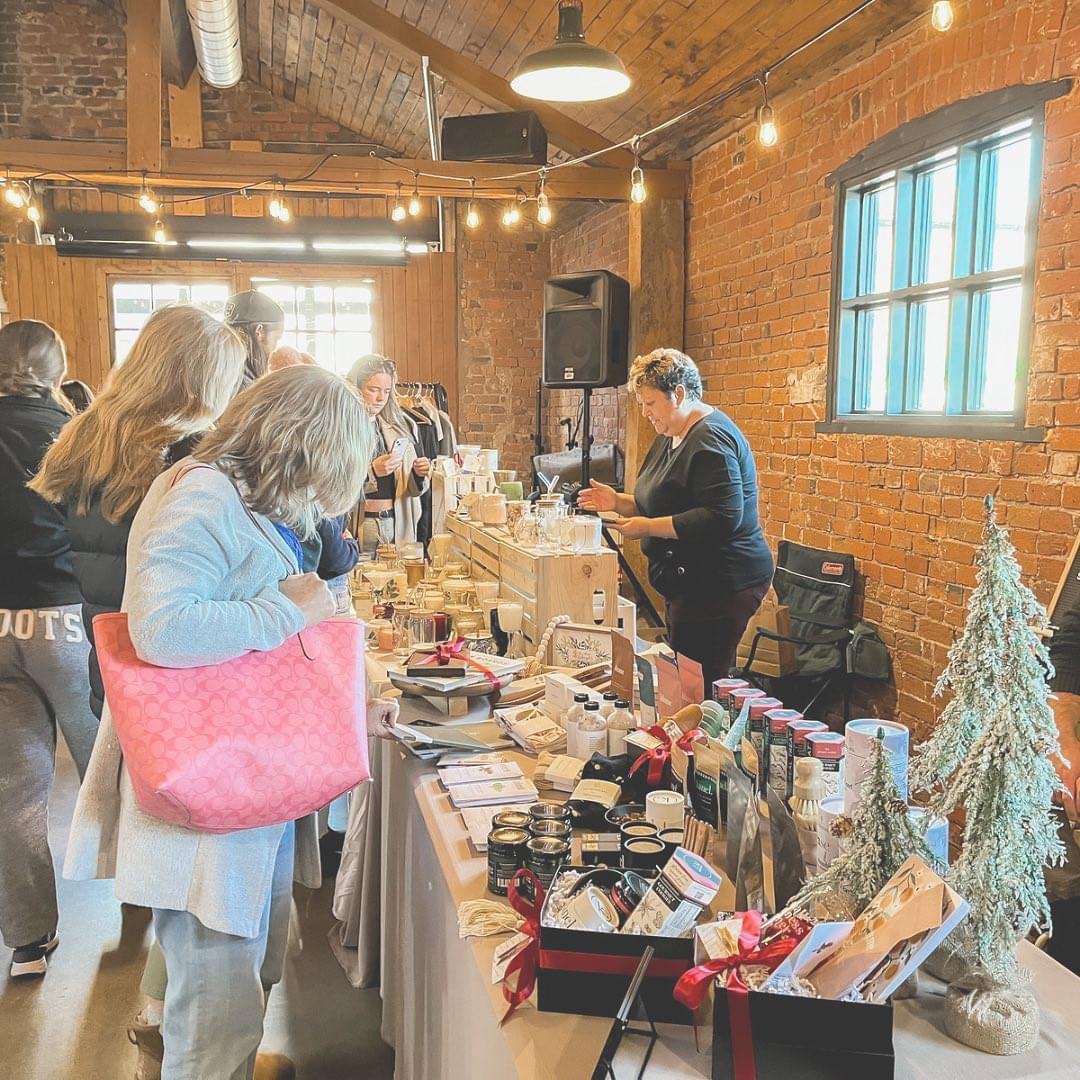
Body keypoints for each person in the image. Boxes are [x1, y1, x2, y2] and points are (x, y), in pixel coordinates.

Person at [64, 367, 396, 1080]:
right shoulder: (205, 496)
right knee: (212, 998)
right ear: (303, 444)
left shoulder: (231, 491)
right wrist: (290, 609)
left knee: (236, 970)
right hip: (207, 782)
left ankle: (231, 1063)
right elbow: (163, 629)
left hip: (238, 775)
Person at [578, 347, 774, 689]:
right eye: (642, 404)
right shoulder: (672, 434)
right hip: (690, 583)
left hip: (722, 583)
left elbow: (722, 517)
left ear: (679, 393)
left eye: (650, 403)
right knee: (681, 678)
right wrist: (620, 502)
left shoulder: (710, 440)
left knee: (696, 685)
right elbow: (664, 501)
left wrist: (648, 528)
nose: (645, 413)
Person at [0, 319, 97, 978]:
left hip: (0, 624)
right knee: (112, 769)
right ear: (55, 365)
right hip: (65, 618)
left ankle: (30, 940)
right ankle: (149, 904)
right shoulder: (72, 433)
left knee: (16, 790)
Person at [346, 353, 431, 552]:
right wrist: (372, 472)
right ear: (355, 389)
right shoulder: (342, 432)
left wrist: (418, 475)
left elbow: (414, 490)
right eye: (373, 389)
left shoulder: (397, 430)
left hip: (396, 523)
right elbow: (333, 484)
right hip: (358, 524)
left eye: (386, 391)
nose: (380, 398)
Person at [224, 290, 285, 384]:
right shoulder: (247, 388)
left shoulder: (220, 371)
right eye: (276, 338)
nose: (275, 348)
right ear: (259, 331)